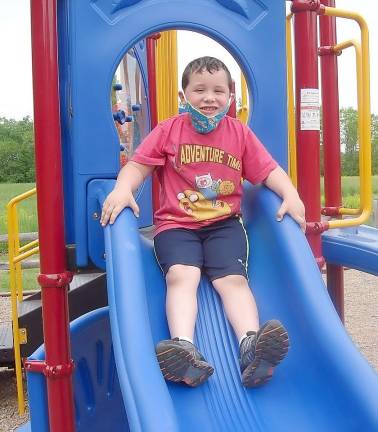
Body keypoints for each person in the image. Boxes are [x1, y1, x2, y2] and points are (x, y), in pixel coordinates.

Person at [100, 56, 305, 388]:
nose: (210, 98)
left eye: (218, 91)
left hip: (224, 225)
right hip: (176, 225)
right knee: (182, 276)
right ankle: (184, 350)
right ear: (184, 96)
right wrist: (124, 189)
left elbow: (268, 171)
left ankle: (251, 346)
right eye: (200, 90)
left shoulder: (238, 133)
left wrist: (291, 195)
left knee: (233, 281)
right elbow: (138, 166)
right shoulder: (168, 131)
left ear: (230, 96)